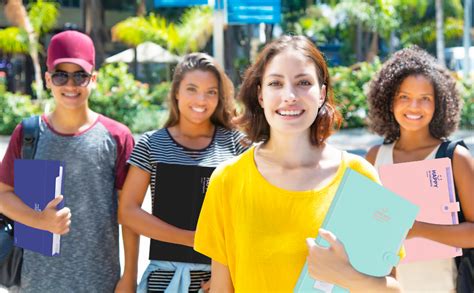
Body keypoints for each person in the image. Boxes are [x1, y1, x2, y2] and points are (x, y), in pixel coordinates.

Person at [194, 35, 403, 292]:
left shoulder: (358, 175)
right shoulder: (227, 179)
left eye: (304, 82)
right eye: (276, 83)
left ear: (321, 93)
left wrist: (348, 277)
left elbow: (393, 287)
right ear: (261, 95)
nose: (290, 95)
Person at [0, 30, 137, 292]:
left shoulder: (117, 137)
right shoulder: (28, 133)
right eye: (61, 76)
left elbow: (129, 214)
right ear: (49, 80)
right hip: (34, 282)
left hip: (99, 281)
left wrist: (129, 276)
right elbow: (3, 194)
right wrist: (39, 220)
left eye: (80, 76)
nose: (70, 85)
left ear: (93, 79)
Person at [118, 52, 248, 293]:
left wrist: (228, 276)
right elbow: (128, 212)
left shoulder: (236, 145)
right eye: (192, 89)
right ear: (176, 92)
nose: (201, 99)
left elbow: (249, 216)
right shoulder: (150, 144)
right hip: (163, 280)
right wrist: (190, 238)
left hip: (219, 281)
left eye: (211, 91)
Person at [365, 46, 474, 292]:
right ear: (388, 100)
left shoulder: (455, 157)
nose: (414, 106)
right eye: (404, 96)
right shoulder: (374, 157)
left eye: (425, 98)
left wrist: (418, 229)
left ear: (439, 104)